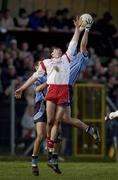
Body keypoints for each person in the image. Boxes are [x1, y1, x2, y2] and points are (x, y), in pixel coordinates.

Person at [15, 16, 82, 174]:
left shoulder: (63, 62)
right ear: (51, 55)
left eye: (59, 49)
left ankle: (53, 158)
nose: (58, 50)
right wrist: (22, 88)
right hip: (42, 105)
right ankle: (34, 161)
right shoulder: (47, 66)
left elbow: (72, 45)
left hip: (57, 97)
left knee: (57, 128)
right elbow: (34, 80)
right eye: (55, 50)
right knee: (41, 135)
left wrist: (77, 30)